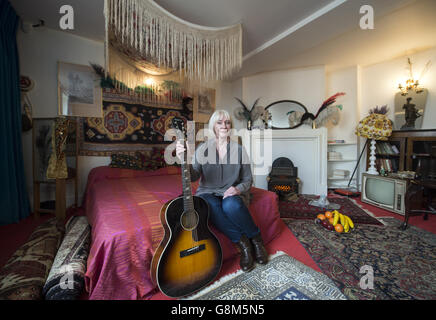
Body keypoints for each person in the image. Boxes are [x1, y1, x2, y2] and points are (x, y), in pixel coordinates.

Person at [175, 110, 268, 272]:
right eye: (219, 122)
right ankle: (243, 243)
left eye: (227, 122)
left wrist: (237, 189)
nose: (224, 126)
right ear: (213, 126)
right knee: (209, 206)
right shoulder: (202, 149)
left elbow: (248, 180)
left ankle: (256, 240)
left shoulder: (239, 150)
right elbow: (193, 176)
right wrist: (183, 161)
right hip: (208, 192)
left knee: (231, 207)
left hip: (230, 193)